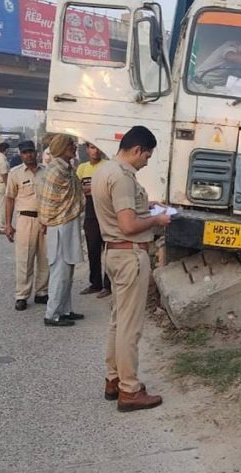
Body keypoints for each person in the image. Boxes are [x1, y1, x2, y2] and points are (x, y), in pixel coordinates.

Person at [93, 125, 171, 412]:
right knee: (130, 327)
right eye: (147, 156)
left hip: (113, 254)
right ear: (137, 150)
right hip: (130, 255)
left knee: (117, 321)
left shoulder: (104, 170)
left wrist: (147, 205)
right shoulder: (123, 177)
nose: (146, 162)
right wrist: (157, 220)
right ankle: (129, 390)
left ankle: (114, 379)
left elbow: (121, 211)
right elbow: (127, 225)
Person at [38, 134, 85, 327]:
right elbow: (51, 204)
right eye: (71, 145)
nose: (74, 148)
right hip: (59, 226)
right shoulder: (56, 171)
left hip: (68, 223)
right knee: (60, 271)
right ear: (63, 148)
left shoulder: (66, 168)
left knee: (68, 270)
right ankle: (52, 314)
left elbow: (75, 195)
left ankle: (65, 310)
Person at [4, 141, 50, 310]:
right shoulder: (15, 174)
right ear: (21, 154)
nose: (28, 155)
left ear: (36, 152)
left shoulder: (46, 172)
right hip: (25, 220)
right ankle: (22, 295)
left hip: (45, 220)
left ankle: (42, 292)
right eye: (25, 152)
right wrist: (8, 225)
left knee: (45, 258)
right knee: (24, 258)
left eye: (31, 151)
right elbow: (9, 199)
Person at [76, 142, 112, 298]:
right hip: (90, 211)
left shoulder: (107, 166)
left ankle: (108, 285)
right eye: (91, 147)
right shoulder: (82, 168)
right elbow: (77, 189)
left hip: (106, 210)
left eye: (97, 147)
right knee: (93, 249)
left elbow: (107, 188)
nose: (95, 150)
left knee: (109, 250)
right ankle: (95, 283)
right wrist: (95, 188)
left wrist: (91, 189)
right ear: (87, 150)